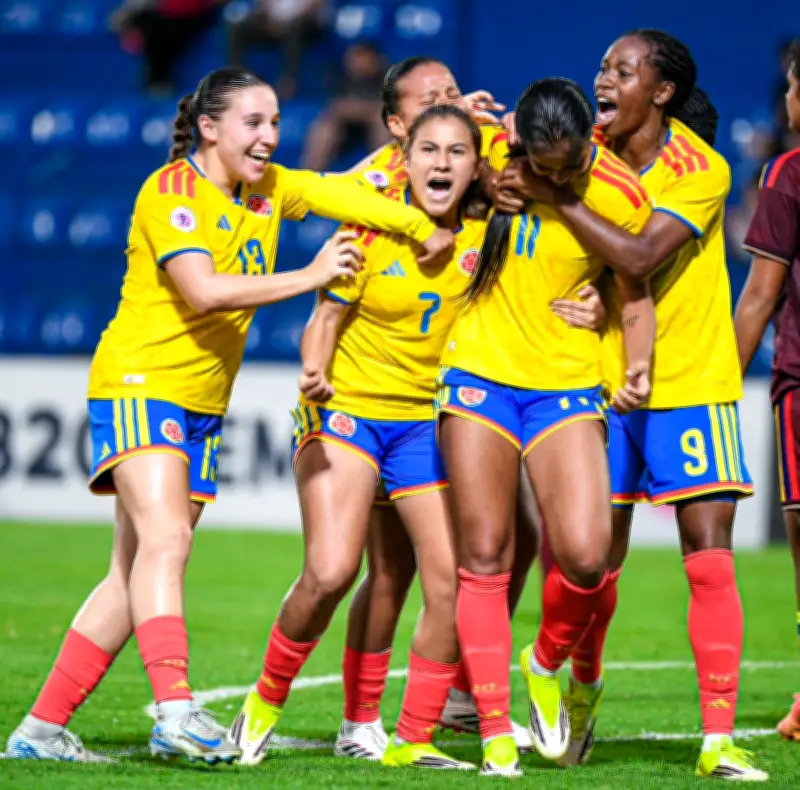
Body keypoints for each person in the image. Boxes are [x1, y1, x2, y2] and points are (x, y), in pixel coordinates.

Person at [3, 66, 454, 765]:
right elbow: (204, 291)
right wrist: (310, 276)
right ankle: (176, 709)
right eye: (254, 123)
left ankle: (40, 729)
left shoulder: (268, 189)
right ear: (210, 127)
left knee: (133, 569)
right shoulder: (170, 192)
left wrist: (424, 218)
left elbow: (348, 189)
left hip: (201, 403)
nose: (270, 137)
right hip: (140, 382)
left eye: (275, 122)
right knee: (168, 540)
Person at [500, 30, 768, 781]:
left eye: (624, 70)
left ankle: (717, 739)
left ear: (663, 91)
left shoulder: (701, 169)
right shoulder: (579, 147)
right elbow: (501, 167)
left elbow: (643, 255)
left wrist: (553, 194)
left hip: (693, 380)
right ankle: (565, 678)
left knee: (709, 558)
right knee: (592, 565)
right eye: (603, 68)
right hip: (594, 381)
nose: (604, 80)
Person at [333, 56, 606, 761]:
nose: (454, 109)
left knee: (494, 557)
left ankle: (460, 702)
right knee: (387, 571)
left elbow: (594, 238)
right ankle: (374, 721)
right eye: (433, 107)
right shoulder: (380, 194)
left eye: (455, 97)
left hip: (461, 400)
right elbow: (341, 196)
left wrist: (602, 293)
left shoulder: (503, 153)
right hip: (389, 404)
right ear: (400, 130)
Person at [229, 104, 498, 771]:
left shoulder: (490, 236)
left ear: (475, 165)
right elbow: (324, 319)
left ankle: (409, 738)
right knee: (331, 571)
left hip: (422, 425)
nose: (440, 163)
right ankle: (260, 707)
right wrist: (314, 366)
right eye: (428, 150)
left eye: (456, 152)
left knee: (449, 583)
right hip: (346, 410)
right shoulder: (369, 229)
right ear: (402, 158)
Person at [437, 76, 655, 777]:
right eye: (543, 163)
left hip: (565, 384)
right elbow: (418, 165)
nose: (556, 173)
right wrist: (478, 176)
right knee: (484, 556)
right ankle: (496, 731)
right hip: (478, 375)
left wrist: (638, 365)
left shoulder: (619, 189)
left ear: (590, 137)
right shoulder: (492, 149)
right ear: (522, 141)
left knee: (588, 556)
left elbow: (636, 286)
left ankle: (544, 661)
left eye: (568, 164)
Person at [733, 41, 800, 743]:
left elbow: (759, 294)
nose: (785, 98)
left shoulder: (788, 172)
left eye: (791, 85)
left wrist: (722, 385)